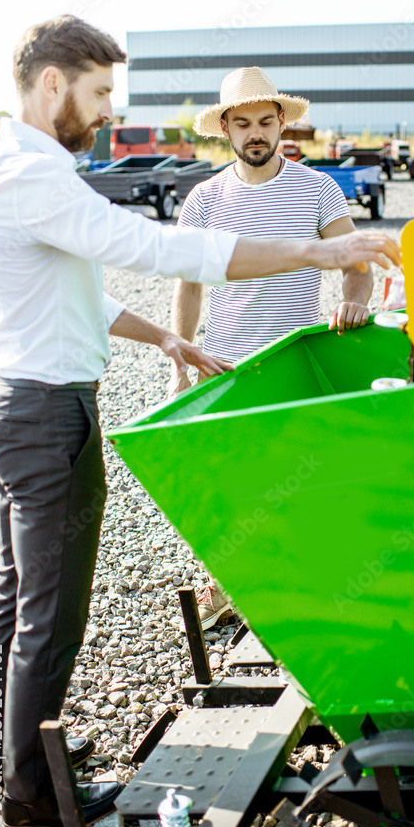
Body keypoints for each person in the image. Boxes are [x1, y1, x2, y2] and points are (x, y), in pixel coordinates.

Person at [0, 15, 400, 827]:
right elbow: (159, 249)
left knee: (16, 599)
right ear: (54, 84)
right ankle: (31, 796)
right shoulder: (33, 175)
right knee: (48, 613)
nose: (106, 113)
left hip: (20, 403)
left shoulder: (8, 167)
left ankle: (12, 764)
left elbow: (77, 290)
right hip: (43, 411)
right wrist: (312, 256)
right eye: (99, 93)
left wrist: (164, 336)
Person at [169, 66, 375, 629]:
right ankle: (228, 583)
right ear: (227, 131)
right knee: (228, 478)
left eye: (265, 121)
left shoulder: (318, 189)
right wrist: (180, 362)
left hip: (290, 358)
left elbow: (357, 264)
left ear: (282, 122)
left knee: (296, 474)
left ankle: (302, 590)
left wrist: (355, 300)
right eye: (243, 124)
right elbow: (188, 286)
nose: (255, 132)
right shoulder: (205, 200)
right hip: (224, 364)